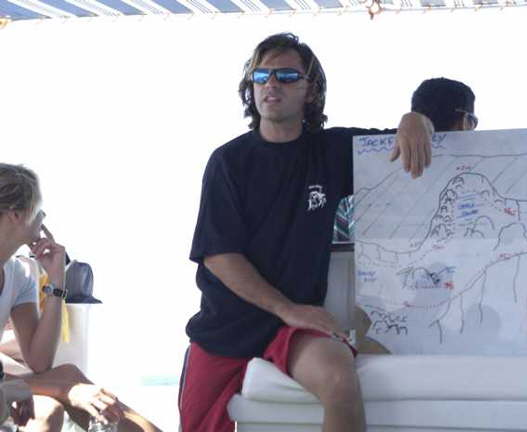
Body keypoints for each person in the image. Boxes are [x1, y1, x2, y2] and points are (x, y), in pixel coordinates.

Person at [179, 32, 434, 432]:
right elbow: (219, 255)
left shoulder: (332, 150)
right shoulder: (229, 161)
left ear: (311, 90)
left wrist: (416, 119)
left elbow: (401, 145)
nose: (271, 84)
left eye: (286, 75)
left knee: (339, 380)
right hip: (227, 327)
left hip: (295, 328)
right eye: (261, 76)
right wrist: (287, 308)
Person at [0, 163, 161, 432]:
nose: (44, 217)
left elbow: (39, 362)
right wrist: (66, 389)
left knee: (68, 377)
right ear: (16, 214)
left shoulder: (19, 274)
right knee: (56, 400)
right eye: (39, 210)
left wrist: (56, 281)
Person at [333, 76, 477, 242]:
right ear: (465, 122)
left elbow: (335, 252)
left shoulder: (356, 192)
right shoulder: (474, 188)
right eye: (474, 122)